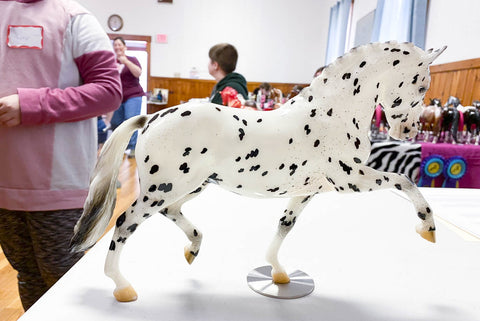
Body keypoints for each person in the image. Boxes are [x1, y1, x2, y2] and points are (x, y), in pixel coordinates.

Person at [0, 0, 122, 311]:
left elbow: (109, 90)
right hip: (5, 187)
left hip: (58, 187)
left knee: (63, 281)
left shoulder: (74, 17)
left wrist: (30, 105)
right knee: (27, 275)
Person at [110, 37, 144, 158]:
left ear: (125, 47)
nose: (118, 47)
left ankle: (133, 147)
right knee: (115, 122)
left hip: (133, 95)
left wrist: (126, 62)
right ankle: (121, 146)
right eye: (115, 45)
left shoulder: (132, 59)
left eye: (120, 45)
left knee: (130, 121)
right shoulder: (111, 61)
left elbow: (138, 73)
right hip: (118, 97)